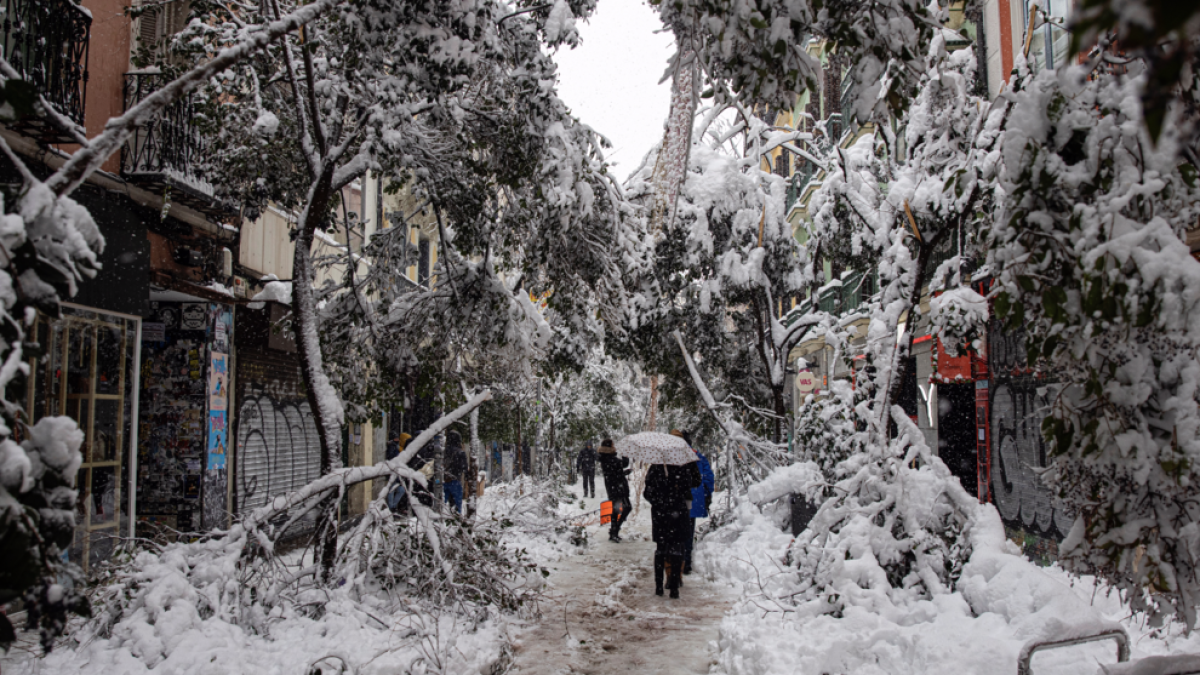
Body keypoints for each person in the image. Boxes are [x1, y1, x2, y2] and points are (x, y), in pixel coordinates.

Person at [643, 430, 702, 598]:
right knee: (677, 547)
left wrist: (658, 500)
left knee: (661, 548)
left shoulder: (658, 462)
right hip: (679, 510)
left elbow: (648, 490)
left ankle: (659, 586)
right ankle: (674, 586)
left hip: (660, 512)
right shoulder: (687, 460)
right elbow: (696, 481)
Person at [680, 431, 714, 575]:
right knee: (688, 530)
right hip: (691, 500)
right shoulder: (698, 457)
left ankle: (676, 561)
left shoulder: (672, 456)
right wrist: (706, 495)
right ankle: (686, 561)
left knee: (675, 531)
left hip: (675, 501)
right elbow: (708, 477)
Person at [597, 438, 632, 542]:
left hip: (613, 487)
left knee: (616, 510)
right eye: (612, 445)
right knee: (626, 507)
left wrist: (624, 473)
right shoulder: (610, 458)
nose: (614, 446)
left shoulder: (605, 458)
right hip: (618, 488)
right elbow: (622, 464)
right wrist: (625, 455)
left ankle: (614, 531)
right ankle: (614, 530)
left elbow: (614, 472)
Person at [385, 432, 412, 513]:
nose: (397, 440)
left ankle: (393, 506)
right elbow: (392, 458)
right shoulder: (392, 447)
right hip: (393, 472)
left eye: (398, 438)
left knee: (401, 489)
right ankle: (391, 507)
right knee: (392, 490)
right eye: (395, 438)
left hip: (398, 472)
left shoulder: (398, 447)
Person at [443, 430, 468, 514]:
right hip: (455, 481)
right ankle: (456, 520)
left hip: (443, 481)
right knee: (457, 505)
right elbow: (464, 467)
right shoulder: (460, 452)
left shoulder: (442, 451)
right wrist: (467, 476)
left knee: (441, 504)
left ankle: (438, 521)